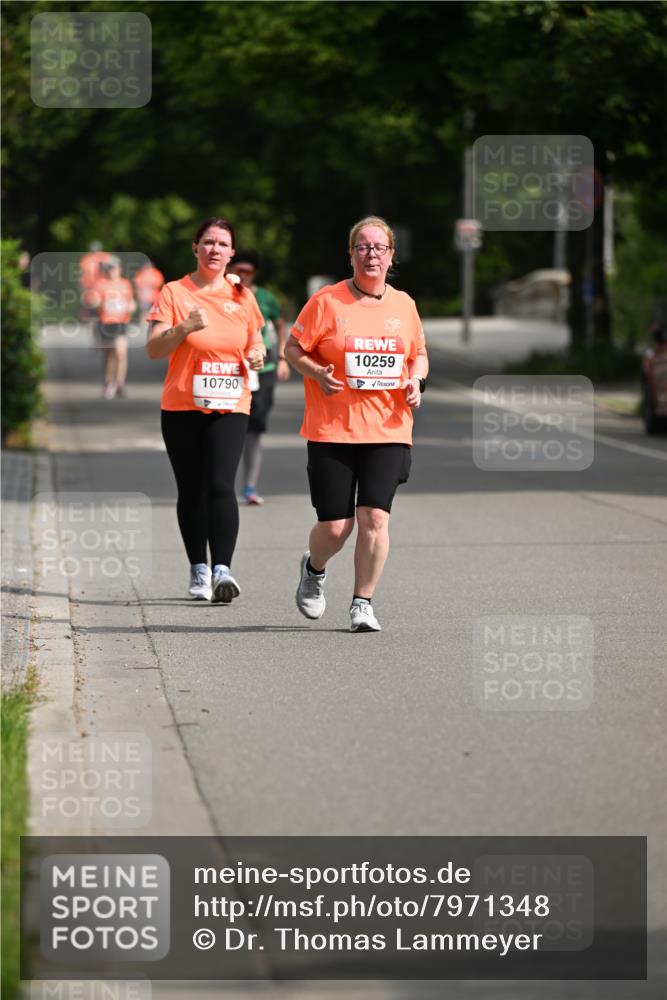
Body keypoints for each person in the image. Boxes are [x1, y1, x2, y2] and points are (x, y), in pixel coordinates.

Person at [284, 216, 429, 633]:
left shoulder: (404, 305)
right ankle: (314, 569)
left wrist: (416, 379)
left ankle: (362, 602)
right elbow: (292, 348)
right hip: (333, 429)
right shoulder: (326, 303)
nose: (371, 254)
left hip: (388, 428)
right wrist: (315, 371)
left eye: (379, 248)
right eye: (363, 247)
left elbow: (418, 354)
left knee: (374, 519)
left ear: (391, 257)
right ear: (350, 255)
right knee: (335, 527)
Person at [146, 217, 265, 603]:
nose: (215, 249)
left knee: (220, 483)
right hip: (182, 403)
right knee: (192, 489)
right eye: (208, 242)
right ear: (195, 248)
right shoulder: (174, 292)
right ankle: (198, 567)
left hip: (231, 402)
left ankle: (222, 571)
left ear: (232, 253)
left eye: (222, 244)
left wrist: (258, 353)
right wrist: (183, 328)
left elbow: (255, 340)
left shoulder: (241, 296)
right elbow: (153, 348)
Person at [227, 249, 290, 505]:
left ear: (254, 273)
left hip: (262, 370)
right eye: (238, 270)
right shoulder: (221, 294)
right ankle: (222, 486)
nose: (242, 275)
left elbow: (279, 325)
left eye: (247, 271)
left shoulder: (265, 297)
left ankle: (250, 485)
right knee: (230, 430)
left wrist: (283, 358)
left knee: (254, 429)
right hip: (229, 369)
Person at [90, 256, 136, 399]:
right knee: (109, 354)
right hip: (105, 322)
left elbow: (131, 302)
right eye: (109, 268)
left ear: (119, 269)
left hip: (121, 322)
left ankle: (120, 384)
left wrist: (132, 306)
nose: (112, 270)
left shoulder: (125, 283)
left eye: (114, 267)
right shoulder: (100, 284)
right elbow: (94, 301)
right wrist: (97, 302)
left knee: (121, 352)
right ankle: (108, 382)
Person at [134, 260, 165, 324]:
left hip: (154, 297)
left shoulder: (156, 273)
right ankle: (144, 325)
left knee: (154, 312)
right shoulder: (141, 273)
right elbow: (137, 284)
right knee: (144, 312)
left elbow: (159, 284)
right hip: (144, 297)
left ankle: (152, 324)